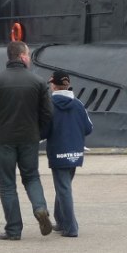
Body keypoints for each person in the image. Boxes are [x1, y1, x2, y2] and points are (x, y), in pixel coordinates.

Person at [0, 41, 54, 240]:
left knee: (7, 184)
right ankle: (40, 208)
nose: (29, 58)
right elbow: (47, 113)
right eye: (28, 55)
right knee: (31, 177)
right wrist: (36, 130)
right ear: (22, 56)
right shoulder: (38, 82)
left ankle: (13, 230)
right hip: (29, 137)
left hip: (5, 138)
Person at [42, 70, 93, 238]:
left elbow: (43, 131)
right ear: (68, 85)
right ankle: (61, 221)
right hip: (75, 153)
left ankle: (71, 227)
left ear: (53, 85)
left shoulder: (49, 104)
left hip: (58, 152)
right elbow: (88, 128)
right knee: (63, 187)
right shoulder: (78, 104)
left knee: (63, 188)